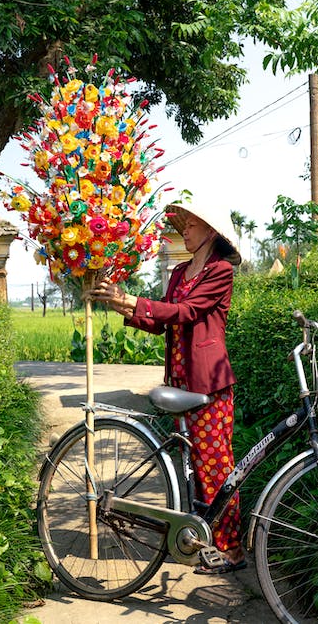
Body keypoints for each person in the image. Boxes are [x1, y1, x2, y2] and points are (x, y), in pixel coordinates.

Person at [90, 202, 245, 574]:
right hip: (178, 380)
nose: (184, 231)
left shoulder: (219, 271)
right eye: (183, 225)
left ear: (211, 231)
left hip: (208, 382)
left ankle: (231, 549)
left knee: (216, 467)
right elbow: (162, 321)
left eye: (190, 225)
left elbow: (187, 312)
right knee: (193, 464)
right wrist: (122, 307)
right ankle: (201, 536)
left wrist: (133, 300)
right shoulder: (178, 271)